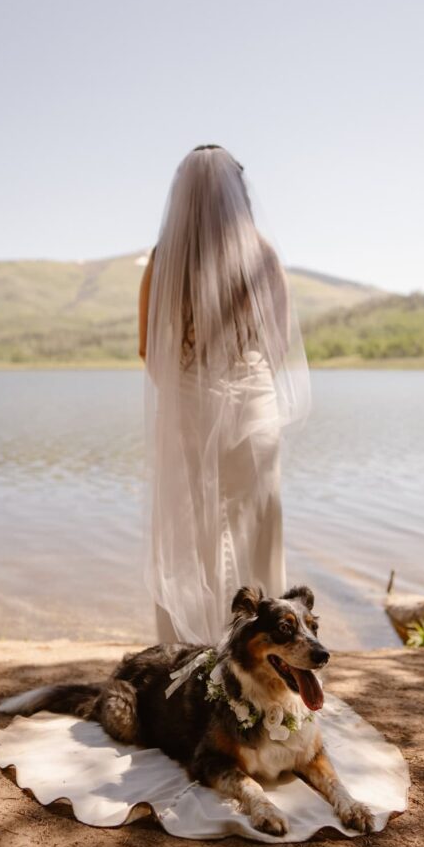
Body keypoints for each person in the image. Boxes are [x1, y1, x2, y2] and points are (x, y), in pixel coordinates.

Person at [138, 144, 310, 646]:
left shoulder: (163, 258)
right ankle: (267, 667)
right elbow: (277, 345)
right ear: (239, 194)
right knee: (257, 536)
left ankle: (189, 665)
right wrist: (241, 381)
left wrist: (189, 393)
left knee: (191, 542)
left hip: (186, 411)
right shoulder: (263, 255)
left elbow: (148, 349)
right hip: (254, 408)